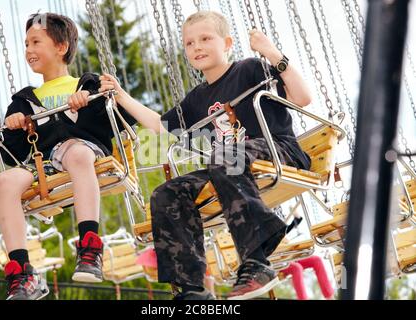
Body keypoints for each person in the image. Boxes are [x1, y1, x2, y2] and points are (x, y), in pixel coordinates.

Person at [100, 10, 312, 300]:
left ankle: (256, 260)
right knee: (167, 193)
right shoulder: (197, 99)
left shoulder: (250, 69)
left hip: (277, 150)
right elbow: (161, 128)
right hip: (229, 163)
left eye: (205, 39)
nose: (196, 47)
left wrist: (273, 53)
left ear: (226, 43)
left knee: (225, 155)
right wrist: (122, 96)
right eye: (189, 43)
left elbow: (302, 97)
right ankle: (191, 287)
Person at [0, 12, 134, 300]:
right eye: (26, 44)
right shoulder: (24, 100)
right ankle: (22, 272)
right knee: (5, 181)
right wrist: (16, 124)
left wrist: (88, 102)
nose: (29, 50)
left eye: (36, 42)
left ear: (61, 48)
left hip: (86, 152)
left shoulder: (85, 84)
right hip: (43, 163)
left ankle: (89, 246)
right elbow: (12, 153)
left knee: (76, 152)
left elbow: (118, 120)